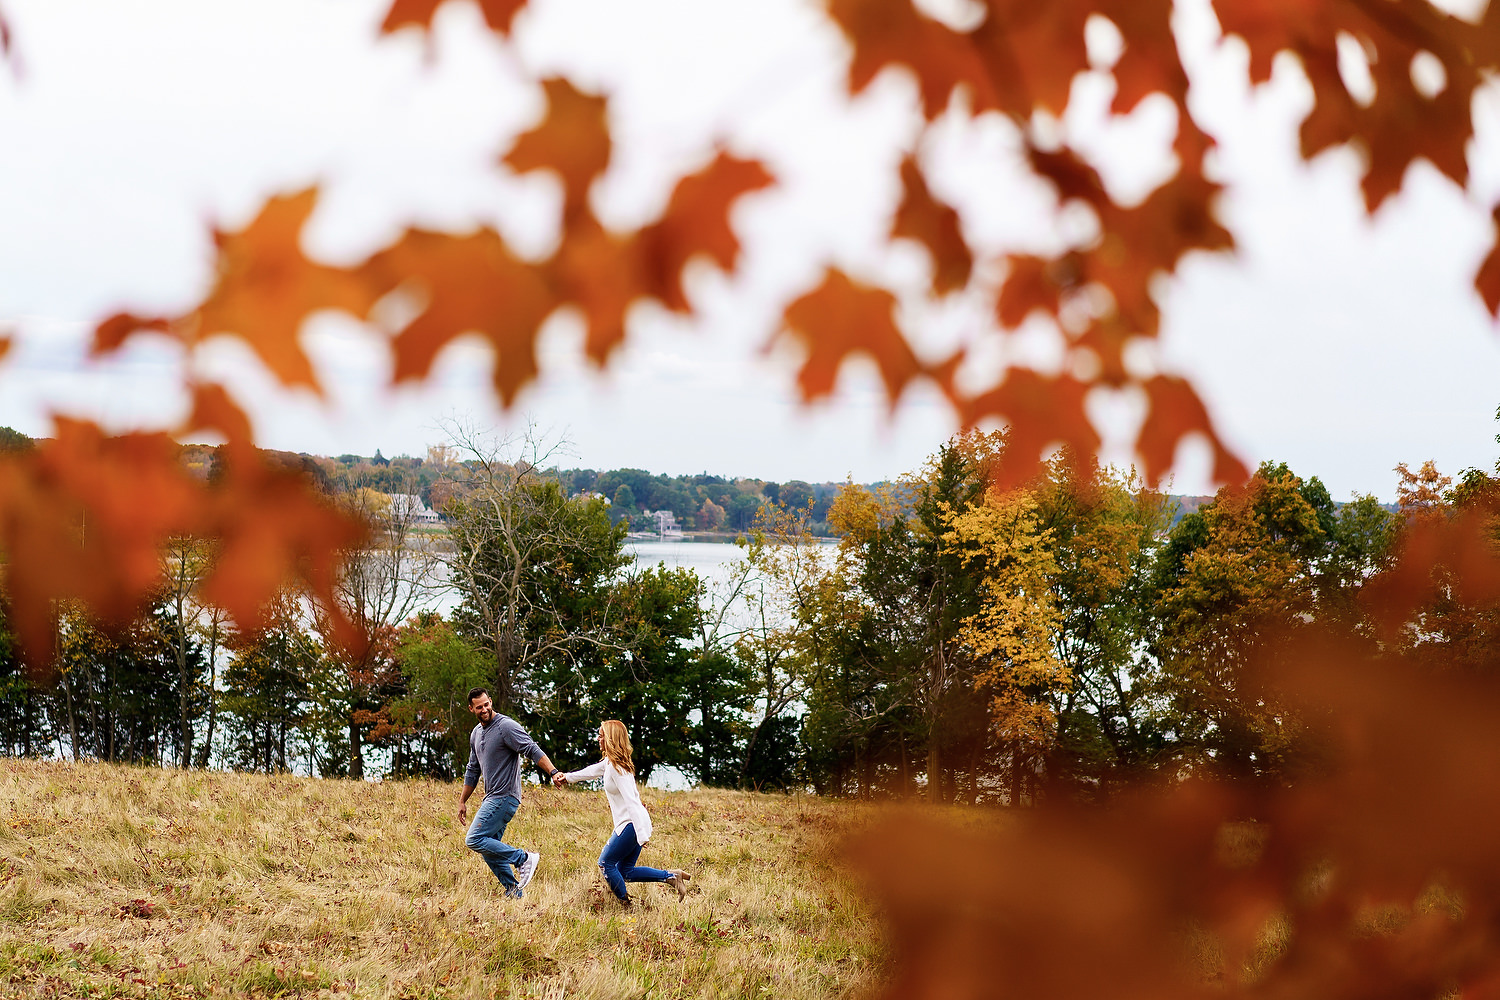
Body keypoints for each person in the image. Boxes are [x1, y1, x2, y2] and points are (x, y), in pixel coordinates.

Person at [553, 719, 690, 907]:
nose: (598, 739)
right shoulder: (610, 763)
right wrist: (567, 777)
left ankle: (626, 906)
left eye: (601, 735)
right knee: (625, 871)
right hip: (630, 823)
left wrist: (642, 834)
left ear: (610, 738)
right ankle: (671, 876)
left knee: (605, 863)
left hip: (631, 824)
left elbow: (632, 801)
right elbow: (591, 771)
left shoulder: (619, 769)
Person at [458, 687, 563, 899]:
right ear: (471, 709)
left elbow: (532, 749)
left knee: (474, 839)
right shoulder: (476, 734)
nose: (485, 709)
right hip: (492, 797)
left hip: (504, 796)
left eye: (487, 704)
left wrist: (553, 771)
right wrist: (462, 801)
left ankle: (523, 858)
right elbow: (473, 769)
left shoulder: (506, 726)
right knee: (490, 849)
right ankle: (514, 893)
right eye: (479, 707)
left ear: (490, 701)